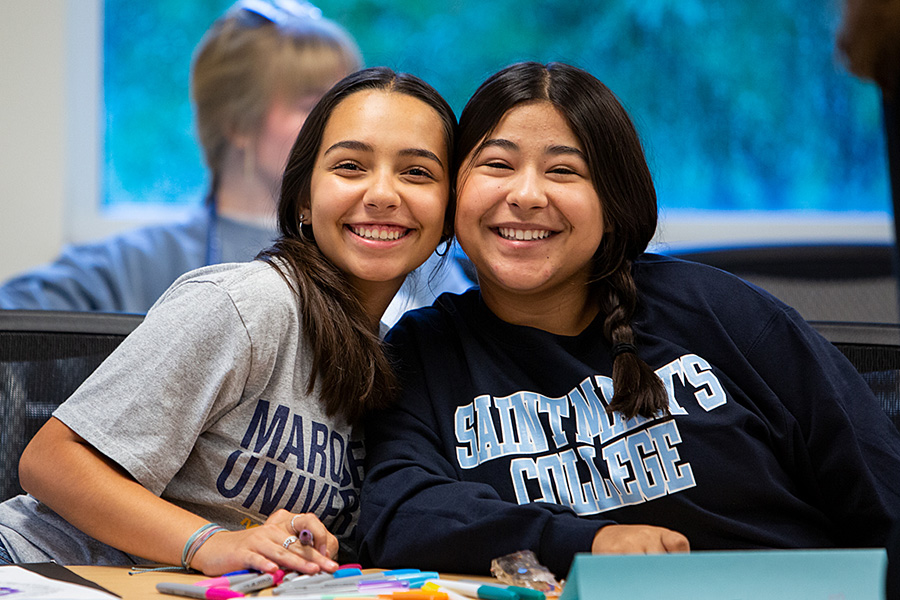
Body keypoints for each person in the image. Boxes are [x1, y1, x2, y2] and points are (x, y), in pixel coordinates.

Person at [358, 61, 900, 579]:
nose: (525, 196)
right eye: (497, 165)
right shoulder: (424, 352)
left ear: (613, 202)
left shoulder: (716, 309)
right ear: (455, 193)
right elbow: (400, 514)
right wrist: (586, 542)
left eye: (564, 171)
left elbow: (881, 485)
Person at [0, 66, 457, 576]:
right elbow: (50, 462)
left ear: (447, 212)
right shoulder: (249, 304)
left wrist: (295, 542)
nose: (382, 194)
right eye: (350, 166)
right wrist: (207, 543)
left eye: (417, 172)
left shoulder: (389, 359)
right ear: (304, 198)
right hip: (36, 569)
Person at [0, 0, 471, 323]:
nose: (346, 126)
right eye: (314, 104)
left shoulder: (411, 257)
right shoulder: (136, 264)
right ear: (236, 124)